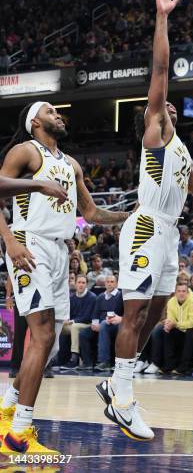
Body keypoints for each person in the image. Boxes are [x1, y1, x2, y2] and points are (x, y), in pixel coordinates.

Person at [95, 0, 193, 442]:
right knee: (135, 314)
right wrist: (161, 17)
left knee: (154, 314)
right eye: (162, 106)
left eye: (171, 107)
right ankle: (122, 398)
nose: (169, 106)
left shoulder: (183, 153)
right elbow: (160, 69)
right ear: (154, 117)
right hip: (145, 227)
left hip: (170, 232)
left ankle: (117, 380)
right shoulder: (155, 138)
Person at [0, 101, 128, 454]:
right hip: (29, 242)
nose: (58, 114)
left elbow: (90, 212)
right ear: (35, 121)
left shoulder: (71, 164)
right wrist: (10, 240)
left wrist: (129, 214)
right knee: (40, 337)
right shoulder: (25, 151)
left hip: (58, 250)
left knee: (51, 344)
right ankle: (18, 434)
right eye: (51, 111)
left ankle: (8, 408)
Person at [78, 275, 124, 371]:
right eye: (108, 282)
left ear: (116, 284)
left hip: (115, 325)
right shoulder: (100, 297)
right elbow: (95, 314)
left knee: (104, 325)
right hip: (101, 325)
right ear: (105, 283)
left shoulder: (121, 296)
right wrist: (95, 324)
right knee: (83, 334)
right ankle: (88, 363)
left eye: (112, 282)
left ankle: (104, 361)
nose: (109, 284)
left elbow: (123, 313)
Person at [59, 274, 97, 369]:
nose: (81, 285)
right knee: (60, 327)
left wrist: (72, 321)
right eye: (79, 282)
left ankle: (74, 357)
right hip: (74, 324)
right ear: (75, 284)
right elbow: (68, 313)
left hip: (87, 324)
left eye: (83, 283)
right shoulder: (72, 297)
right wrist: (65, 320)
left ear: (87, 285)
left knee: (74, 327)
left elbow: (87, 317)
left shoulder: (92, 297)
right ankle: (59, 357)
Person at [161, 282, 193, 373]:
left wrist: (176, 324)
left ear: (188, 292)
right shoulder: (171, 301)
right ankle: (169, 364)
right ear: (175, 292)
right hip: (180, 328)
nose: (181, 293)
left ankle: (185, 366)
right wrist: (168, 324)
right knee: (167, 331)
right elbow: (171, 318)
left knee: (190, 332)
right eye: (179, 291)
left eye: (183, 291)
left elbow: (192, 322)